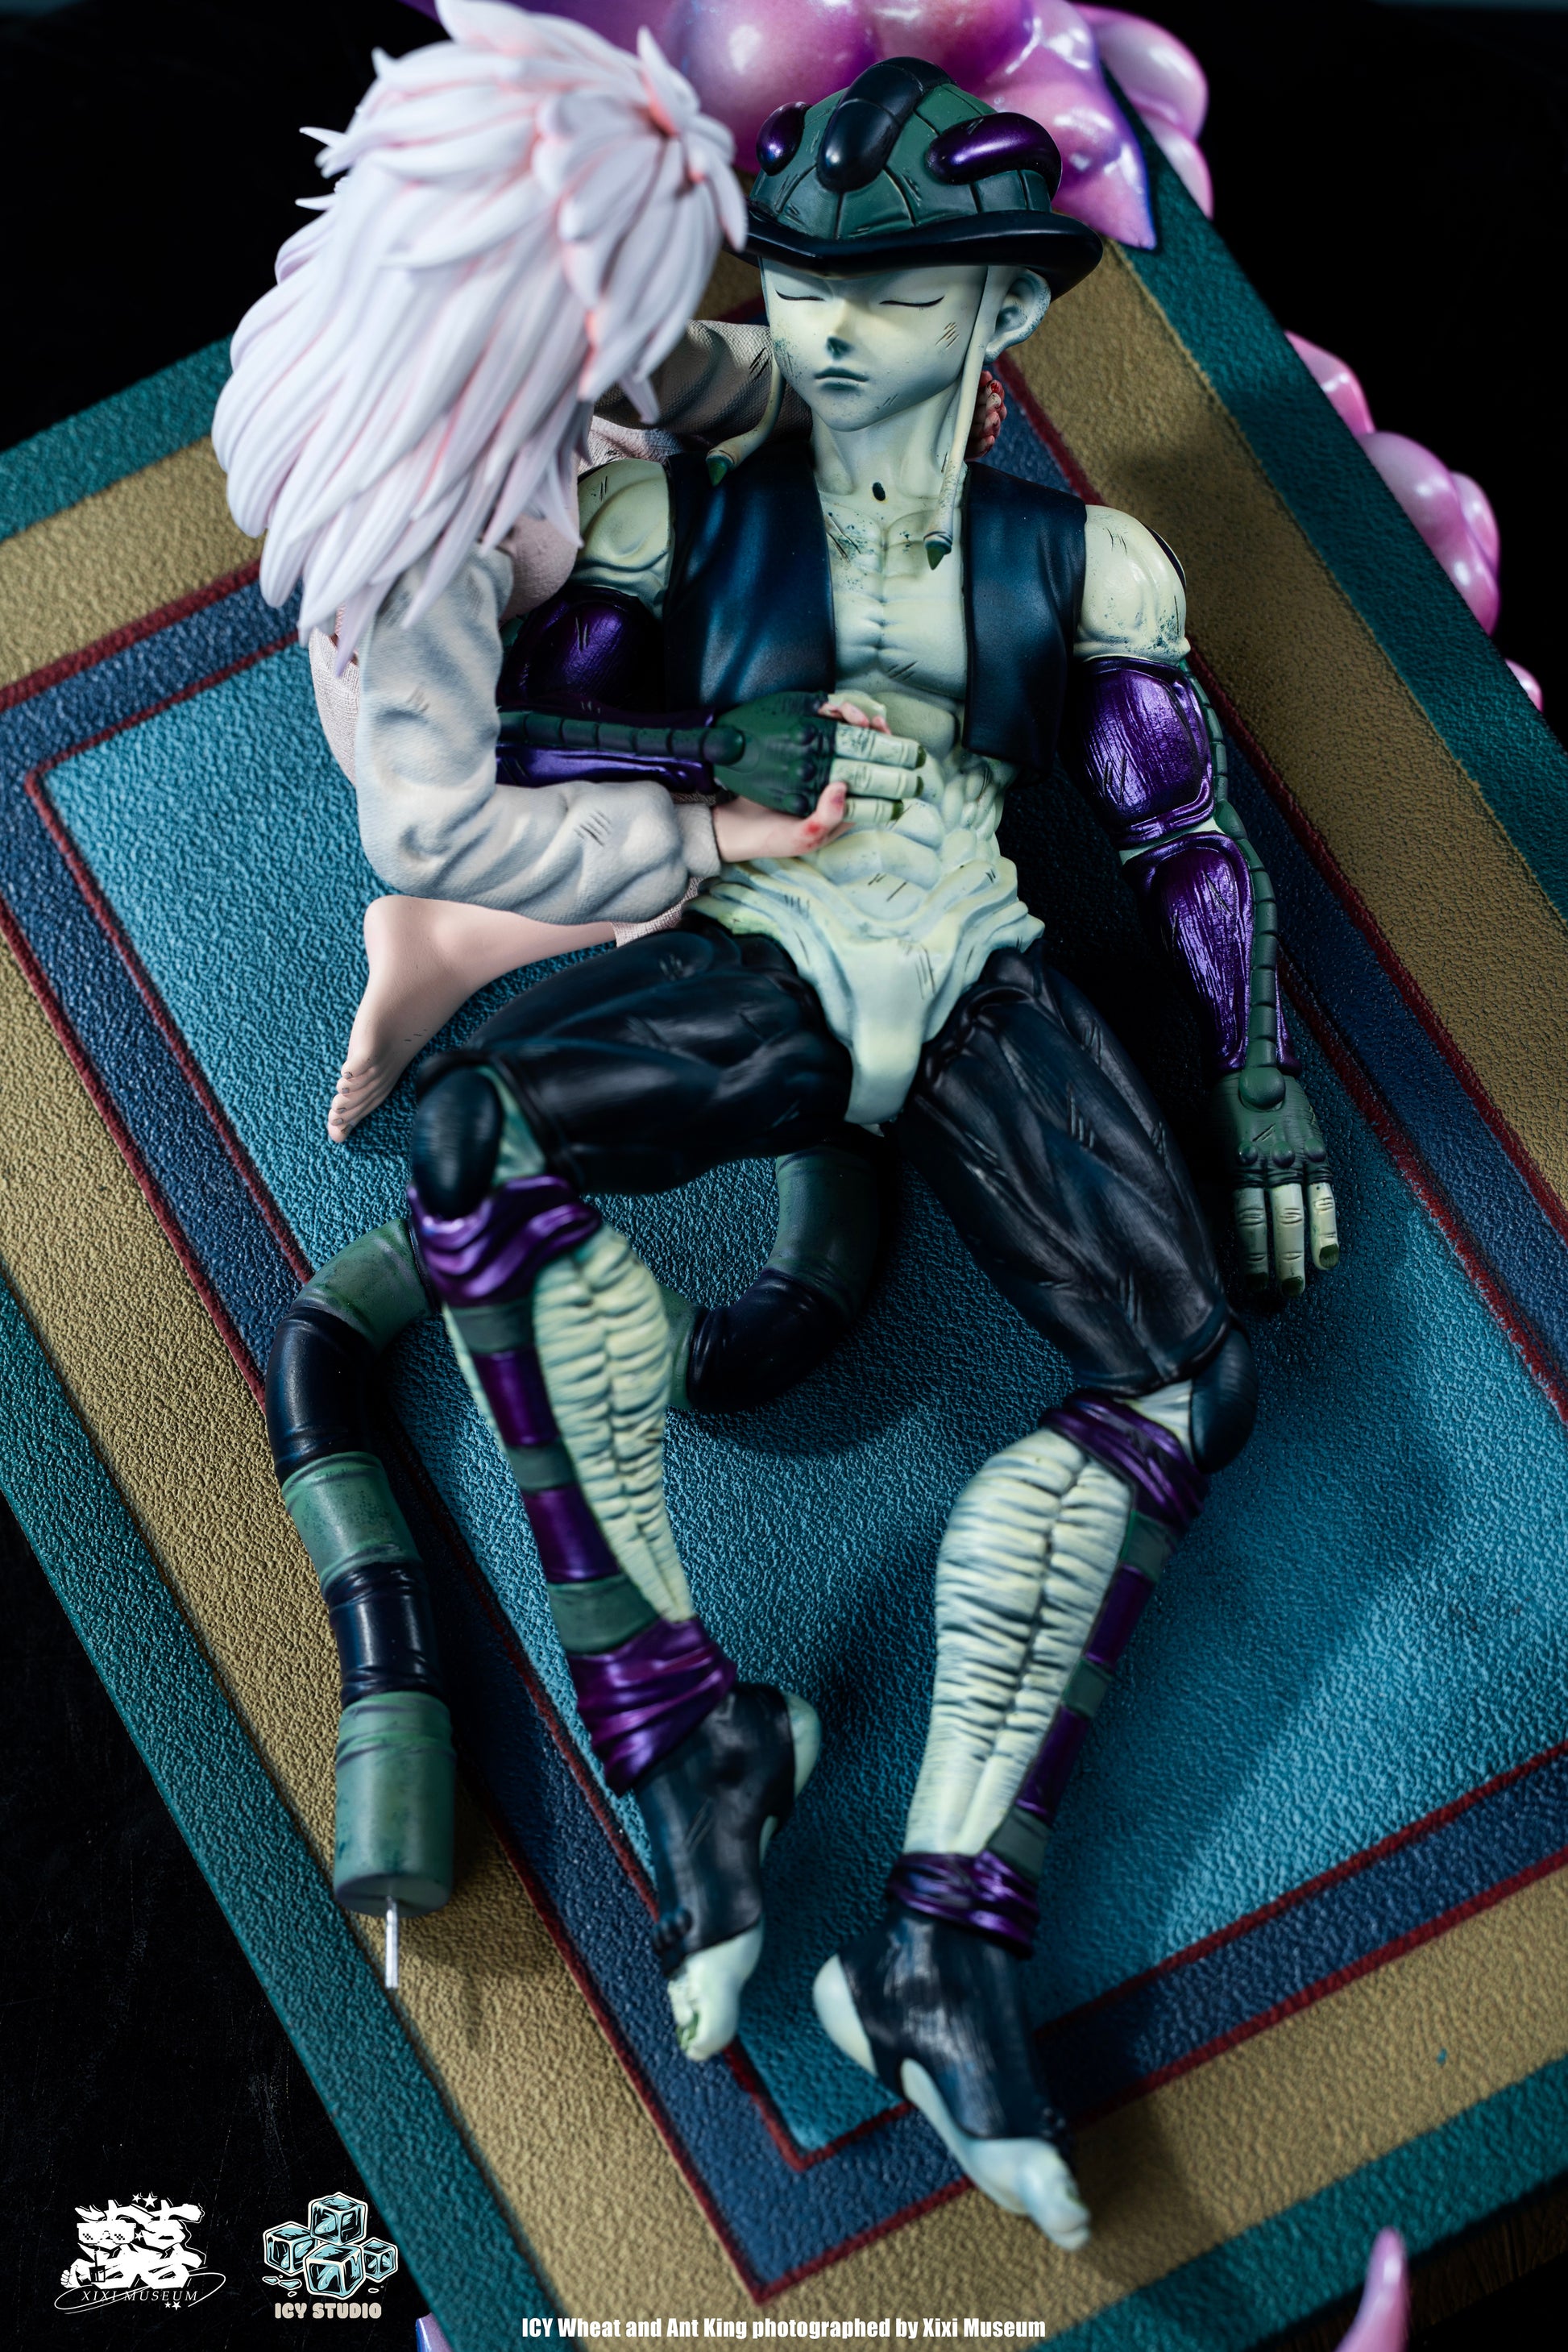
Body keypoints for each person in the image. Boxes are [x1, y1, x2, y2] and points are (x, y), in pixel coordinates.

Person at [221, 11, 1338, 2247]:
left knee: (1182, 1375)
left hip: (978, 976)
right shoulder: (679, 514)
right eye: (802, 286)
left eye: (886, 297)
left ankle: (946, 1938)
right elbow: (531, 748)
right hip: (765, 967)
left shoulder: (1085, 569)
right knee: (472, 1138)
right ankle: (676, 1722)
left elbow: (1179, 838)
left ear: (1001, 310)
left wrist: (1254, 1073)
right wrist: (678, 765)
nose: (826, 335)